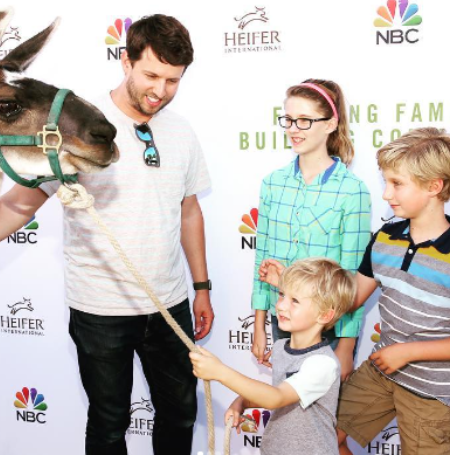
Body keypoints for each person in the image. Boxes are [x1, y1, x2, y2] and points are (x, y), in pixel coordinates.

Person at [0, 14, 213, 455]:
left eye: (173, 80)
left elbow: (189, 212)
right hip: (100, 311)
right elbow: (19, 205)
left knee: (179, 415)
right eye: (152, 74)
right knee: (109, 424)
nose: (161, 90)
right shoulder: (75, 124)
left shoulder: (182, 130)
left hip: (169, 304)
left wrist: (201, 288)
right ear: (126, 61)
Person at [336, 127, 450, 455]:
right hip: (382, 370)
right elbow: (353, 296)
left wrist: (407, 352)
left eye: (397, 184)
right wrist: (292, 282)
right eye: (386, 182)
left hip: (431, 391)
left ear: (434, 186)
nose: (387, 194)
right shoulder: (387, 236)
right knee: (325, 430)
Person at [251, 79, 372, 379]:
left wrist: (345, 347)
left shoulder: (352, 191)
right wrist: (258, 325)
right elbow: (261, 261)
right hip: (283, 321)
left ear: (331, 123)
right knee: (285, 410)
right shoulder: (272, 184)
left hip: (327, 326)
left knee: (321, 421)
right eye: (289, 119)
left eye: (305, 120)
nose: (293, 129)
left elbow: (352, 277)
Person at [190, 258, 356, 455]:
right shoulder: (280, 348)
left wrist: (220, 372)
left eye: (294, 301)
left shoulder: (323, 364)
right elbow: (285, 399)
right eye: (282, 295)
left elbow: (277, 398)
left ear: (325, 316)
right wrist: (243, 402)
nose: (281, 306)